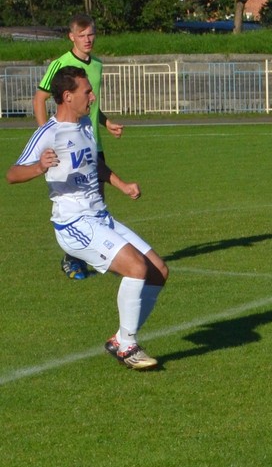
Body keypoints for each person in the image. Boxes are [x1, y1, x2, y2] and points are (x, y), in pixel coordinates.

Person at [9, 66, 168, 370]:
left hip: (100, 217)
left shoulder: (85, 127)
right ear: (67, 96)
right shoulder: (48, 133)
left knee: (158, 271)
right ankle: (127, 345)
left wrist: (122, 185)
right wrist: (39, 167)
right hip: (74, 224)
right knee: (136, 268)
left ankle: (121, 339)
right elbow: (12, 175)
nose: (92, 97)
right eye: (87, 92)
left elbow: (94, 165)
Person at [33, 13, 124, 282]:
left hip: (93, 141)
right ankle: (72, 257)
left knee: (97, 203)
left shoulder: (97, 64)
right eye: (82, 35)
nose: (88, 39)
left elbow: (89, 103)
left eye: (91, 34)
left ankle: (88, 255)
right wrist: (46, 138)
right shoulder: (61, 64)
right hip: (67, 145)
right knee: (75, 201)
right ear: (71, 36)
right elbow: (40, 99)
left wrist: (105, 123)